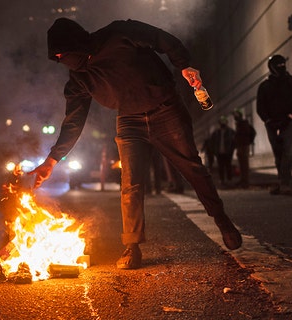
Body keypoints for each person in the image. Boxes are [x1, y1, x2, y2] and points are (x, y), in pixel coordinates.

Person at [29, 18, 242, 270]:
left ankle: (221, 218)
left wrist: (184, 65)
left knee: (191, 167)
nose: (62, 59)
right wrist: (51, 160)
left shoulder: (119, 33)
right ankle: (132, 246)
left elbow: (161, 38)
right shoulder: (79, 79)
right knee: (130, 184)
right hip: (129, 120)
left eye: (63, 53)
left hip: (166, 110)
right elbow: (73, 122)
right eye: (57, 57)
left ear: (77, 42)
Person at [256, 54, 292, 195]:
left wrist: (291, 115)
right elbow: (261, 106)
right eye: (279, 65)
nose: (281, 68)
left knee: (287, 152)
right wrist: (268, 120)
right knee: (278, 153)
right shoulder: (265, 86)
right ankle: (282, 181)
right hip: (272, 123)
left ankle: (285, 183)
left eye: (283, 65)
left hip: (289, 122)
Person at [232, 109, 256, 188]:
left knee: (244, 164)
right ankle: (243, 180)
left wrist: (248, 142)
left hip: (243, 146)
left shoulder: (244, 124)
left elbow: (252, 133)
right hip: (240, 146)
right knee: (241, 164)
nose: (235, 117)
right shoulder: (239, 124)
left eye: (236, 115)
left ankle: (245, 181)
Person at [209, 116, 235, 186]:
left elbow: (234, 142)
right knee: (221, 167)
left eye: (224, 122)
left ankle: (229, 179)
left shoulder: (230, 132)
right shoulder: (216, 133)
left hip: (228, 152)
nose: (223, 123)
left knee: (228, 166)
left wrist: (231, 150)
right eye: (221, 122)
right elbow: (211, 142)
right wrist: (214, 151)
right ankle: (222, 180)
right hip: (219, 152)